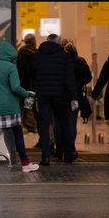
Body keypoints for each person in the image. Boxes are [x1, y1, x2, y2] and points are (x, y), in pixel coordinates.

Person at [0, 42, 39, 174]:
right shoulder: (11, 67)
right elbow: (15, 87)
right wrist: (27, 93)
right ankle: (25, 163)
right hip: (10, 107)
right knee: (18, 135)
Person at [32, 34, 78, 165]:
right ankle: (68, 153)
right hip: (61, 96)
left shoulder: (37, 57)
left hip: (43, 96)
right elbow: (69, 79)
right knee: (64, 124)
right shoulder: (64, 57)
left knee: (45, 126)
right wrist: (73, 97)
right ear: (58, 43)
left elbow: (33, 77)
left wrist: (34, 93)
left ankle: (45, 156)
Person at [54, 41, 92, 160]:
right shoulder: (80, 61)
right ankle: (69, 150)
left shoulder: (59, 62)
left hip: (59, 96)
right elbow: (88, 77)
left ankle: (59, 149)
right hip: (75, 96)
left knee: (58, 123)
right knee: (71, 123)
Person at [17, 34, 39, 134]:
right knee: (30, 107)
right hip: (33, 86)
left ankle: (23, 125)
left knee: (22, 107)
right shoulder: (38, 54)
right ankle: (32, 126)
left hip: (21, 86)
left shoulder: (19, 53)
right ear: (33, 42)